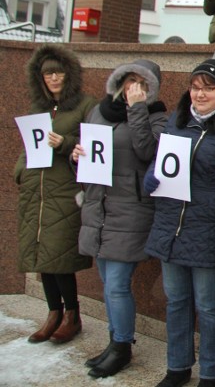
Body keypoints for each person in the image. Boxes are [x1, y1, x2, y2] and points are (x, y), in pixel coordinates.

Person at [143, 50, 215, 387]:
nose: (200, 94)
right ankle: (177, 368)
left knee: (208, 308)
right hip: (170, 228)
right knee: (176, 302)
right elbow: (164, 161)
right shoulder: (179, 119)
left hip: (209, 231)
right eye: (195, 86)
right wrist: (151, 176)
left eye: (208, 87)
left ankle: (211, 373)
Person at [74, 59, 168, 378]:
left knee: (117, 284)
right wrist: (78, 156)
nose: (132, 87)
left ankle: (123, 346)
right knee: (106, 282)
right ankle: (114, 341)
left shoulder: (157, 116)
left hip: (131, 210)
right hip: (99, 207)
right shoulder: (99, 111)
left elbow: (147, 152)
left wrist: (138, 108)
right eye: (128, 80)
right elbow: (91, 157)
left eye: (140, 82)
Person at [15, 45, 97, 345]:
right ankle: (53, 312)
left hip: (65, 190)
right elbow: (28, 146)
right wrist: (20, 171)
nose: (53, 78)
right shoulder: (38, 108)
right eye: (47, 73)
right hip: (36, 191)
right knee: (42, 256)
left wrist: (64, 143)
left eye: (58, 72)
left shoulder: (86, 105)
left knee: (60, 257)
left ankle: (72, 314)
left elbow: (94, 145)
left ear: (69, 74)